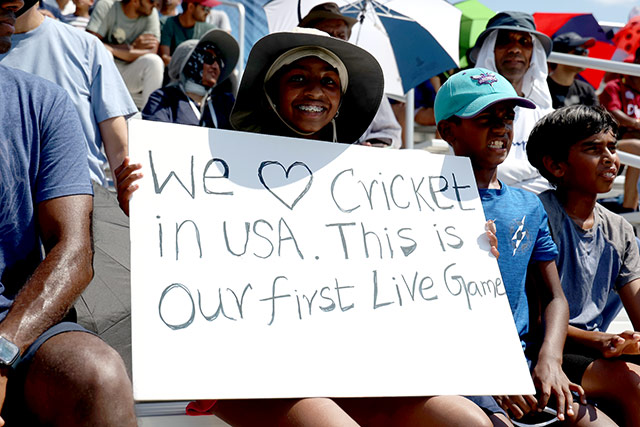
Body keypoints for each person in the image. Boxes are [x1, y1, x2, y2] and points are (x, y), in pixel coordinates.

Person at [118, 27, 501, 425]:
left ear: (340, 98)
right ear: (271, 90)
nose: (316, 91)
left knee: (467, 420)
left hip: (353, 367)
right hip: (250, 373)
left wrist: (464, 247)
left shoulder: (374, 178)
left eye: (329, 81)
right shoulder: (212, 168)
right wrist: (147, 211)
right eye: (298, 78)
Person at [435, 68, 615, 426]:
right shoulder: (416, 199)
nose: (501, 127)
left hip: (519, 366)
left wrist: (550, 360)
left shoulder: (527, 206)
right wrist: (487, 371)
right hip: (454, 370)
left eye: (508, 117)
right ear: (448, 131)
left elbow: (554, 297)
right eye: (486, 118)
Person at [0, 0, 136, 424]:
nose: (15, 2)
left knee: (98, 374)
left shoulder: (44, 102)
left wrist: (3, 353)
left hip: (12, 319)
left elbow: (74, 251)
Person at [527, 105, 640, 426]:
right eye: (592, 148)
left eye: (612, 147)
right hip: (545, 351)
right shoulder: (537, 215)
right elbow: (536, 319)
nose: (609, 157)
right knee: (631, 383)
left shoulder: (619, 229)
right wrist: (601, 341)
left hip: (597, 349)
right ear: (556, 165)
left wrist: (627, 342)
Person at [468, 11, 554, 194]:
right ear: (490, 51)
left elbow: (554, 175)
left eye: (524, 42)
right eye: (505, 41)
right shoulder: (469, 111)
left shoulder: (545, 114)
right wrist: (533, 175)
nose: (515, 49)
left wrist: (507, 187)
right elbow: (476, 169)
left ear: (533, 53)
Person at [298, 2, 402, 148]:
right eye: (327, 35)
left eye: (341, 35)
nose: (335, 40)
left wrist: (373, 146)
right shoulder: (287, 78)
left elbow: (390, 133)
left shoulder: (368, 85)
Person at [143, 29, 238, 128]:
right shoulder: (162, 100)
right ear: (188, 61)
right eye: (208, 58)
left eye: (219, 61)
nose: (216, 66)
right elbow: (154, 138)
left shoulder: (225, 104)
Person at [87, 0, 164, 109]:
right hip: (105, 72)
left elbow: (152, 50)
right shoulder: (107, 5)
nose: (155, 4)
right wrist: (131, 49)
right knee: (105, 54)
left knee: (154, 61)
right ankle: (105, 110)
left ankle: (150, 115)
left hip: (131, 72)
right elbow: (91, 44)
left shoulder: (151, 12)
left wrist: (114, 49)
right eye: (151, 1)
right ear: (135, 1)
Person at [599, 48, 640, 212]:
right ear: (637, 61)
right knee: (637, 147)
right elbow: (613, 113)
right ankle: (630, 207)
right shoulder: (614, 86)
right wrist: (636, 124)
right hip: (613, 145)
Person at [547, 32, 598, 109]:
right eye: (579, 50)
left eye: (586, 51)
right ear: (560, 55)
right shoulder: (540, 87)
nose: (584, 55)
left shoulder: (587, 90)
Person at [159, 0, 217, 66]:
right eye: (206, 8)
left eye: (210, 9)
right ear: (191, 7)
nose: (208, 13)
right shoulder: (168, 23)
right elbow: (165, 58)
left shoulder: (209, 30)